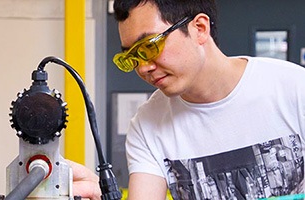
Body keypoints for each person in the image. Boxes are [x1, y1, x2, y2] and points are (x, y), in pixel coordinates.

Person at [72, 0, 305, 199]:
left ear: (200, 28)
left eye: (150, 46)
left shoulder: (295, 89)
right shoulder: (148, 124)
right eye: (132, 57)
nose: (143, 68)